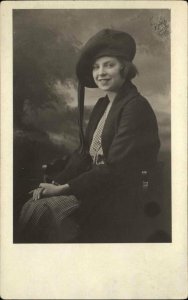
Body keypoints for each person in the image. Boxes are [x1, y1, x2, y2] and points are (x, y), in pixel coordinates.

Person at [19, 29, 166, 243]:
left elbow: (115, 168)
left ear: (125, 68)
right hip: (97, 185)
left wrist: (63, 189)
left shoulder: (136, 107)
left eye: (109, 65)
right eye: (96, 67)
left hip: (119, 194)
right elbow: (84, 155)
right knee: (32, 203)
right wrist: (53, 182)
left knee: (41, 210)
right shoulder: (102, 104)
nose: (101, 73)